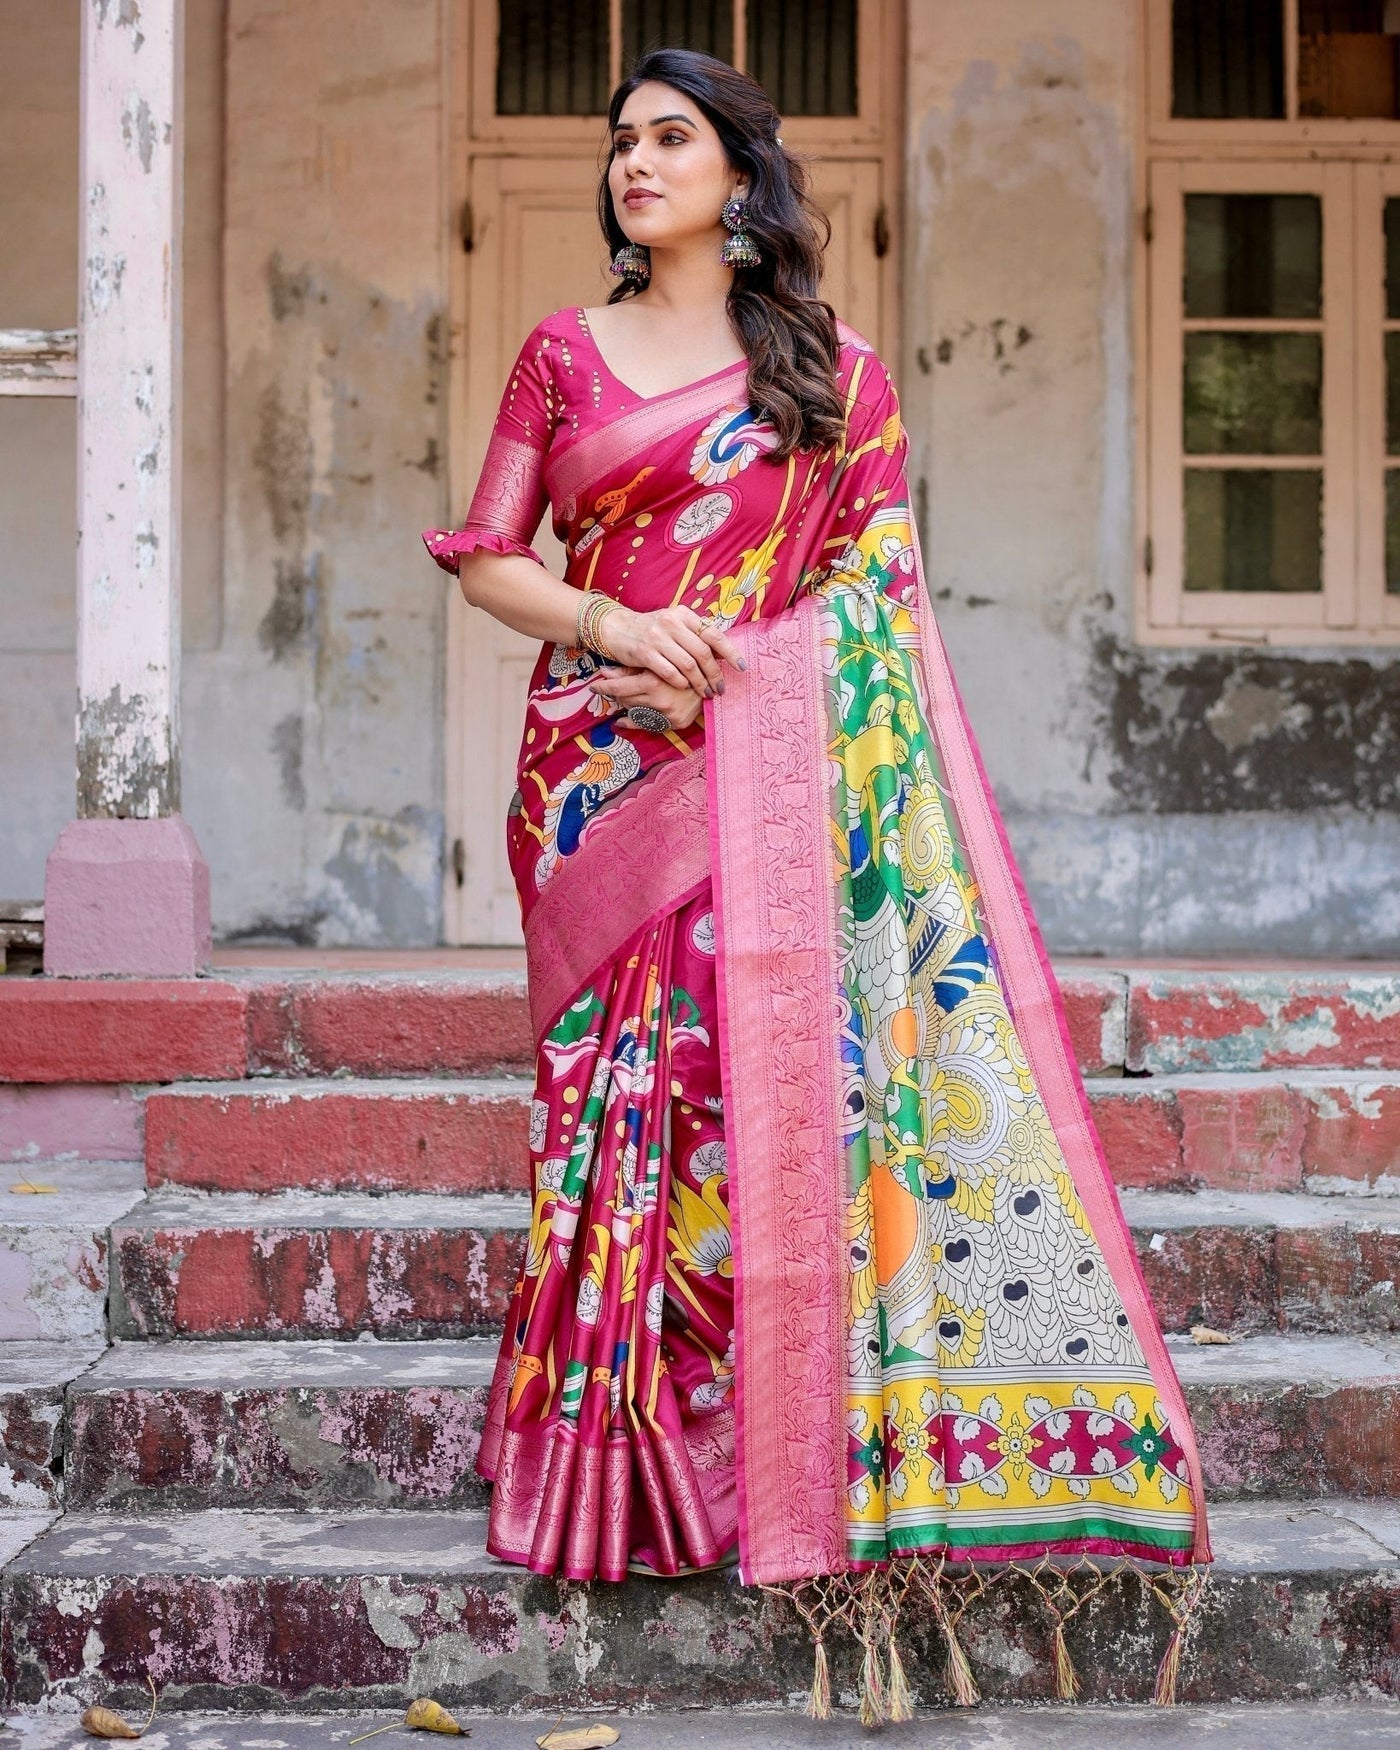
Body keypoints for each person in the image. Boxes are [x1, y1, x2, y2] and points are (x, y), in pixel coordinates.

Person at [423, 45, 1210, 1721]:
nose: (636, 162)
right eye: (621, 141)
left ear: (739, 171)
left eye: (671, 137)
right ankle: (607, 1461)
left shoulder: (832, 374)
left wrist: (741, 681)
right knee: (602, 1114)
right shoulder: (562, 352)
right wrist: (617, 627)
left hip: (764, 778)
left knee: (736, 1096)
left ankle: (737, 1455)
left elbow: (883, 596)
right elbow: (489, 551)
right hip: (593, 778)